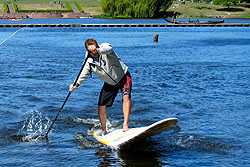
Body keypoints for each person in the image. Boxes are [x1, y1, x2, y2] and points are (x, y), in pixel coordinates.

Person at [69, 38, 132, 136]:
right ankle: (104, 130)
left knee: (126, 96)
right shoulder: (88, 62)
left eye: (94, 50)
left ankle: (125, 125)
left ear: (97, 46)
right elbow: (83, 74)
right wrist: (75, 84)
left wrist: (98, 50)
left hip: (123, 76)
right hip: (110, 83)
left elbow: (109, 49)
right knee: (101, 106)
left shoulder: (105, 49)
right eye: (91, 51)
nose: (94, 53)